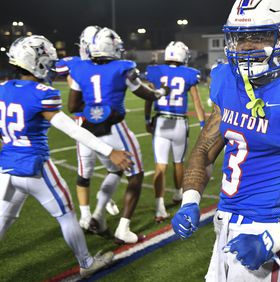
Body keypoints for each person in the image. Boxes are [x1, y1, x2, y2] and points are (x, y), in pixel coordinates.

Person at [171, 0, 280, 281]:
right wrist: (190, 199)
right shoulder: (225, 80)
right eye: (240, 37)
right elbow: (205, 148)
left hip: (267, 225)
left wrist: (273, 238)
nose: (245, 46)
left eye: (259, 35)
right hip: (224, 219)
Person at [0, 35, 132, 277]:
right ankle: (87, 263)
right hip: (36, 167)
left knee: (3, 218)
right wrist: (109, 150)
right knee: (66, 214)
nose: (50, 66)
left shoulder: (3, 89)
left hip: (7, 167)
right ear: (36, 62)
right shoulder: (41, 94)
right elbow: (72, 129)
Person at [68, 28, 169, 244]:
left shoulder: (79, 68)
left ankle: (97, 216)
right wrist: (160, 93)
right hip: (114, 128)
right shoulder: (122, 69)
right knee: (136, 173)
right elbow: (144, 93)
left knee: (114, 170)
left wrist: (95, 110)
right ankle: (123, 228)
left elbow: (73, 105)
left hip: (89, 130)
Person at [55, 26, 121, 230]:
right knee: (110, 169)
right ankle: (91, 212)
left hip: (85, 122)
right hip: (95, 123)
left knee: (91, 172)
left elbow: (62, 71)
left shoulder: (76, 64)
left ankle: (92, 210)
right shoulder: (97, 64)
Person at [144, 41, 206, 223]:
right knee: (178, 162)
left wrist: (147, 119)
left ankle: (159, 207)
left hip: (161, 120)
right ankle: (178, 194)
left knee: (160, 166)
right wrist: (202, 124)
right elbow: (196, 101)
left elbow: (149, 97)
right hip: (179, 123)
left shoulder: (156, 72)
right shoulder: (189, 74)